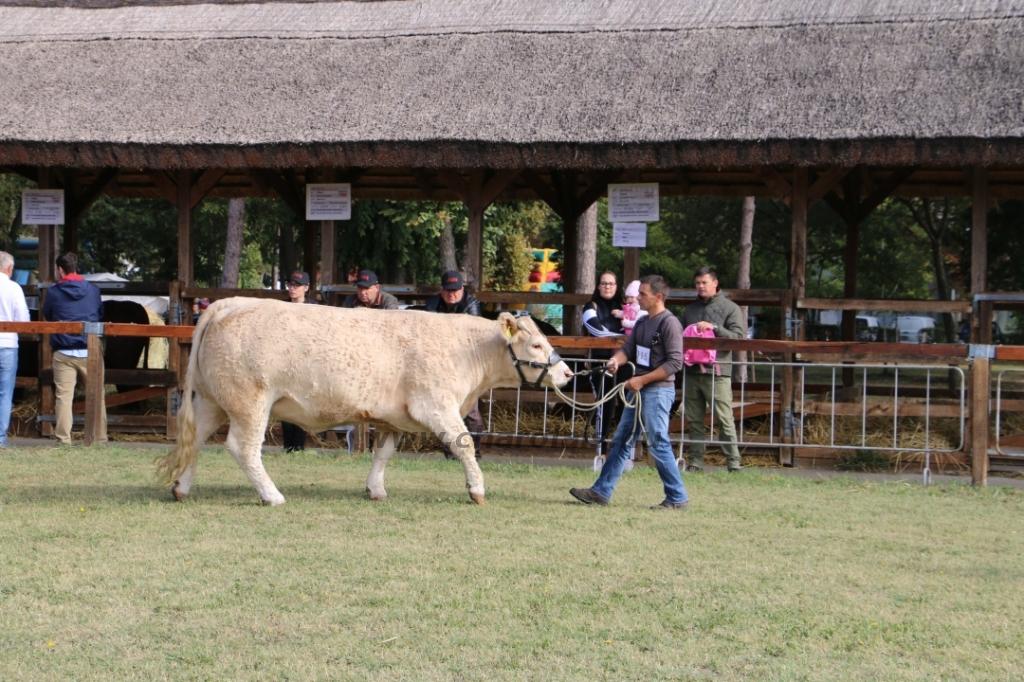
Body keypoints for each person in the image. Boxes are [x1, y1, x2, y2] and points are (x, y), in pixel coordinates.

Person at [569, 275, 689, 510]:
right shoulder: (643, 323)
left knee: (657, 443)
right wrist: (616, 361)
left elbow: (675, 363)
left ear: (659, 297)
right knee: (623, 440)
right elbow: (628, 349)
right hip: (640, 389)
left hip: (657, 391)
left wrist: (641, 380)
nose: (637, 297)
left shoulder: (669, 323)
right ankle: (600, 492)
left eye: (643, 294)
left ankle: (677, 497)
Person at [681, 266, 746, 473]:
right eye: (698, 283)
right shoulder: (690, 310)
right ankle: (695, 462)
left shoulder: (731, 308)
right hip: (691, 372)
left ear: (715, 283)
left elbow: (738, 338)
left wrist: (715, 328)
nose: (700, 286)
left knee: (725, 419)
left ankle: (733, 463)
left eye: (704, 282)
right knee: (694, 419)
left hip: (717, 373)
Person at [43, 252, 106, 445]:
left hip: (64, 350)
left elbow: (48, 315)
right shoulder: (93, 290)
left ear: (60, 270)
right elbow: (100, 314)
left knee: (64, 397)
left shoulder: (53, 292)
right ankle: (99, 438)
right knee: (97, 395)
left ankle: (63, 439)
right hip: (91, 350)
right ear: (76, 267)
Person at [424, 270, 483, 459]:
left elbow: (471, 338)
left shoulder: (472, 304)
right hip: (441, 365)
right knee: (445, 412)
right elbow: (428, 337)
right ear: (441, 290)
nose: (452, 294)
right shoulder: (432, 305)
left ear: (462, 289)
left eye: (456, 290)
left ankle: (475, 453)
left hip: (466, 366)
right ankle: (450, 455)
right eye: (448, 290)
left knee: (472, 414)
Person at [581, 271, 626, 454]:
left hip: (623, 363)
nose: (607, 286)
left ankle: (625, 453)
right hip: (601, 363)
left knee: (625, 406)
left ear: (617, 286)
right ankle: (602, 451)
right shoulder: (590, 306)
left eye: (611, 283)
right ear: (598, 286)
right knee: (604, 406)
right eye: (604, 283)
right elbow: (597, 331)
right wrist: (626, 338)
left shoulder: (624, 307)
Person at [281, 271, 317, 452]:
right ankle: (287, 446)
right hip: (286, 359)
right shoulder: (282, 308)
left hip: (306, 360)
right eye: (290, 285)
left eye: (296, 285)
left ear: (306, 288)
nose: (292, 289)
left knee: (301, 402)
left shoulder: (315, 309)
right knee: (285, 400)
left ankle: (299, 446)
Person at [0, 251, 28, 447]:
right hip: (8, 344)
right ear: (9, 268)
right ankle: (0, 438)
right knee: (5, 393)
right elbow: (23, 321)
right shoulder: (14, 288)